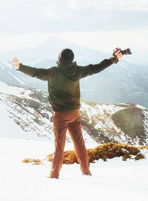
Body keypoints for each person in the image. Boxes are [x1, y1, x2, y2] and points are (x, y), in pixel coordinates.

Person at [12, 48, 123, 178]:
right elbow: (96, 68)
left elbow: (36, 73)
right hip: (75, 113)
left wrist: (20, 67)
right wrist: (114, 59)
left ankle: (54, 174)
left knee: (59, 145)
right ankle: (86, 171)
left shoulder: (53, 72)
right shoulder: (77, 71)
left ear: (59, 59)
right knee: (79, 143)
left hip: (60, 115)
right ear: (71, 59)